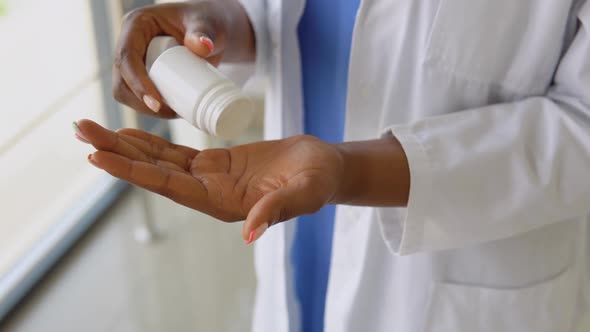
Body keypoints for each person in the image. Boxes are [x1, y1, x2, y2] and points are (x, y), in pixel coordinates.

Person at [73, 0, 590, 331]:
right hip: (300, 245)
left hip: (452, 287)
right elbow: (290, 16)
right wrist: (218, 25)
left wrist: (350, 171)